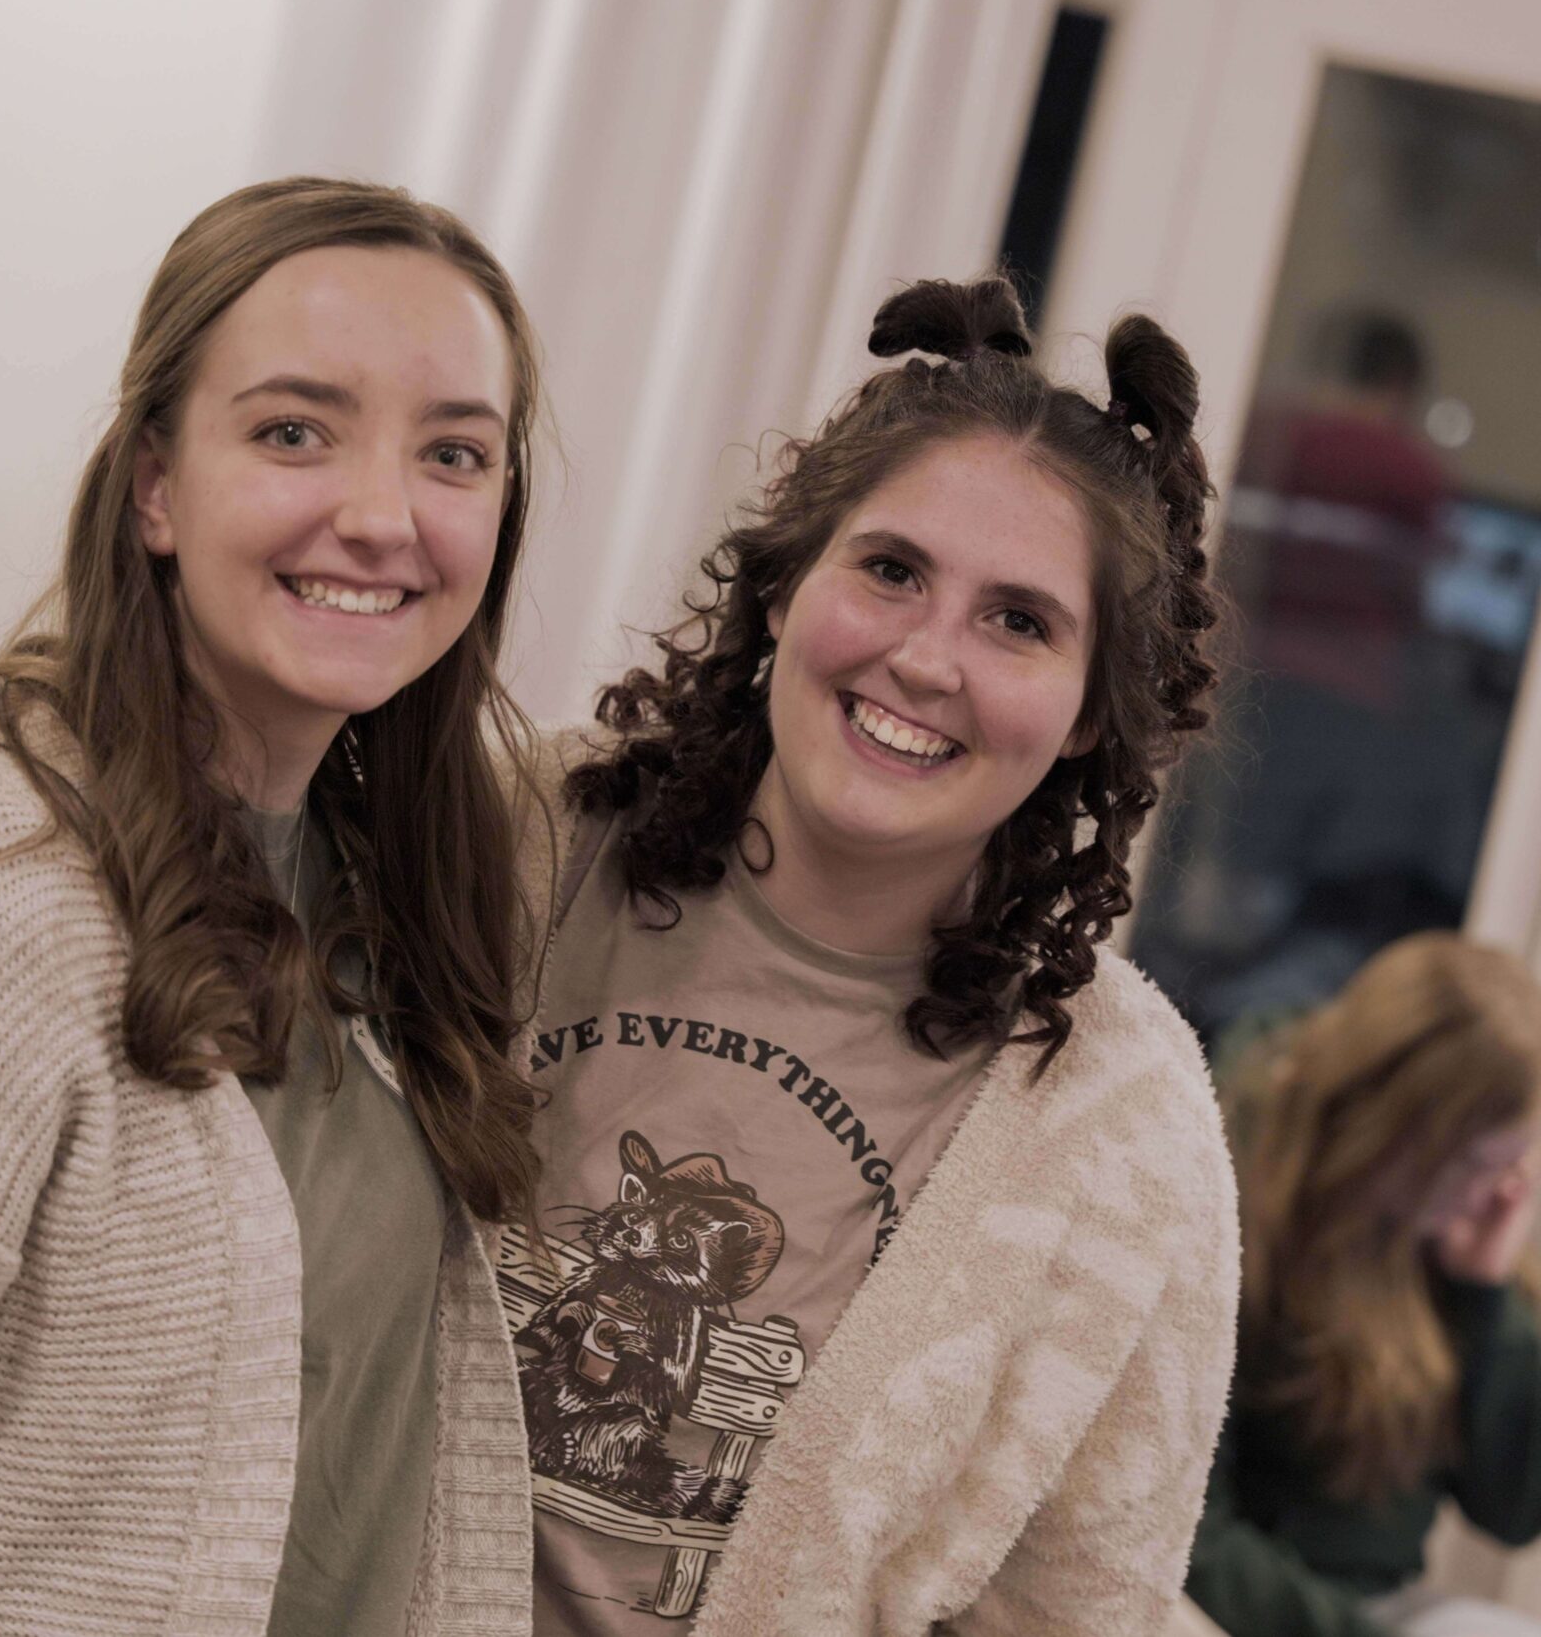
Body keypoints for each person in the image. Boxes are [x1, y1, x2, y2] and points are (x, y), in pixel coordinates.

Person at [0, 178, 552, 1636]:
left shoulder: (401, 871)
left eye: (455, 452)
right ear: (153, 484)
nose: (384, 514)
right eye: (293, 431)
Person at [505, 277, 1239, 1634]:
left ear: (1088, 715)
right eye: (892, 569)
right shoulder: (505, 848)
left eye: (1020, 620)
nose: (925, 656)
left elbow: (1077, 1606)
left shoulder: (1124, 1129)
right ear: (785, 588)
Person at [1186, 933, 1541, 1637]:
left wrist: (1487, 1294)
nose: (1496, 1197)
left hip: (1378, 1611)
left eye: (1520, 1167)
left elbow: (1524, 1503)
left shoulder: (1439, 1238)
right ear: (1393, 1128)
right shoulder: (1230, 1199)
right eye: (1477, 1162)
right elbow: (1193, 1533)